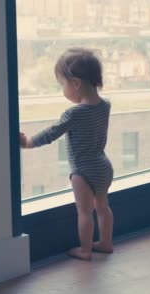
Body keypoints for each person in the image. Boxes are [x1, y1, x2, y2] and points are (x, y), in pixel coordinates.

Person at [20, 48, 114, 261]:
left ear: (76, 83)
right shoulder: (105, 105)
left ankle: (86, 250)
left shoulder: (74, 113)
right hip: (103, 166)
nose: (62, 89)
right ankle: (106, 242)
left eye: (62, 84)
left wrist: (27, 143)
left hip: (83, 171)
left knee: (84, 212)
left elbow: (51, 133)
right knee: (103, 207)